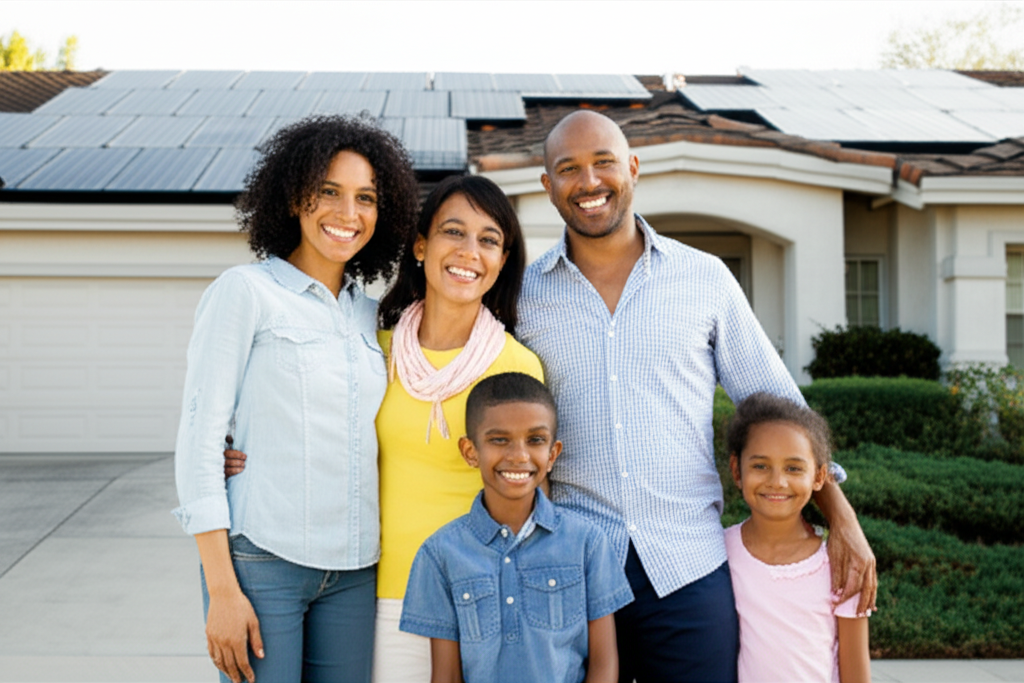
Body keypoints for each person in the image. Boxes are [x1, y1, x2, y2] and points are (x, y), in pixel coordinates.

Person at [515, 109, 878, 683]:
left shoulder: (703, 278)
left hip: (687, 563)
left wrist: (843, 519)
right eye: (569, 169)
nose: (589, 182)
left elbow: (779, 406)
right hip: (572, 564)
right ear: (547, 186)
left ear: (632, 168)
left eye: (604, 163)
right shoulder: (524, 296)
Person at [225, 174, 544, 682]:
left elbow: (532, 499)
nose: (469, 252)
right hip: (383, 593)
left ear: (502, 261)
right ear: (421, 244)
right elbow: (309, 418)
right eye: (453, 232)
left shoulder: (517, 366)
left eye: (489, 240)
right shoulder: (373, 348)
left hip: (483, 595)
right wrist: (241, 447)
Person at [173, 115, 419, 683]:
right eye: (329, 192)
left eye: (366, 198)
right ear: (293, 197)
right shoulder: (246, 293)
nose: (347, 214)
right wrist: (221, 590)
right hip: (264, 561)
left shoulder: (371, 313)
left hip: (356, 569)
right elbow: (199, 440)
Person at [399, 372, 634, 683]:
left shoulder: (587, 542)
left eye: (535, 440)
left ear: (552, 454)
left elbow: (604, 665)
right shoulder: (440, 554)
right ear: (470, 451)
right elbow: (446, 675)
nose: (519, 455)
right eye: (499, 440)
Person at [725, 393, 871, 683]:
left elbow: (857, 674)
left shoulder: (841, 565)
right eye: (760, 466)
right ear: (736, 471)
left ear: (819, 477)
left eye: (793, 468)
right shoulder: (719, 551)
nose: (777, 481)